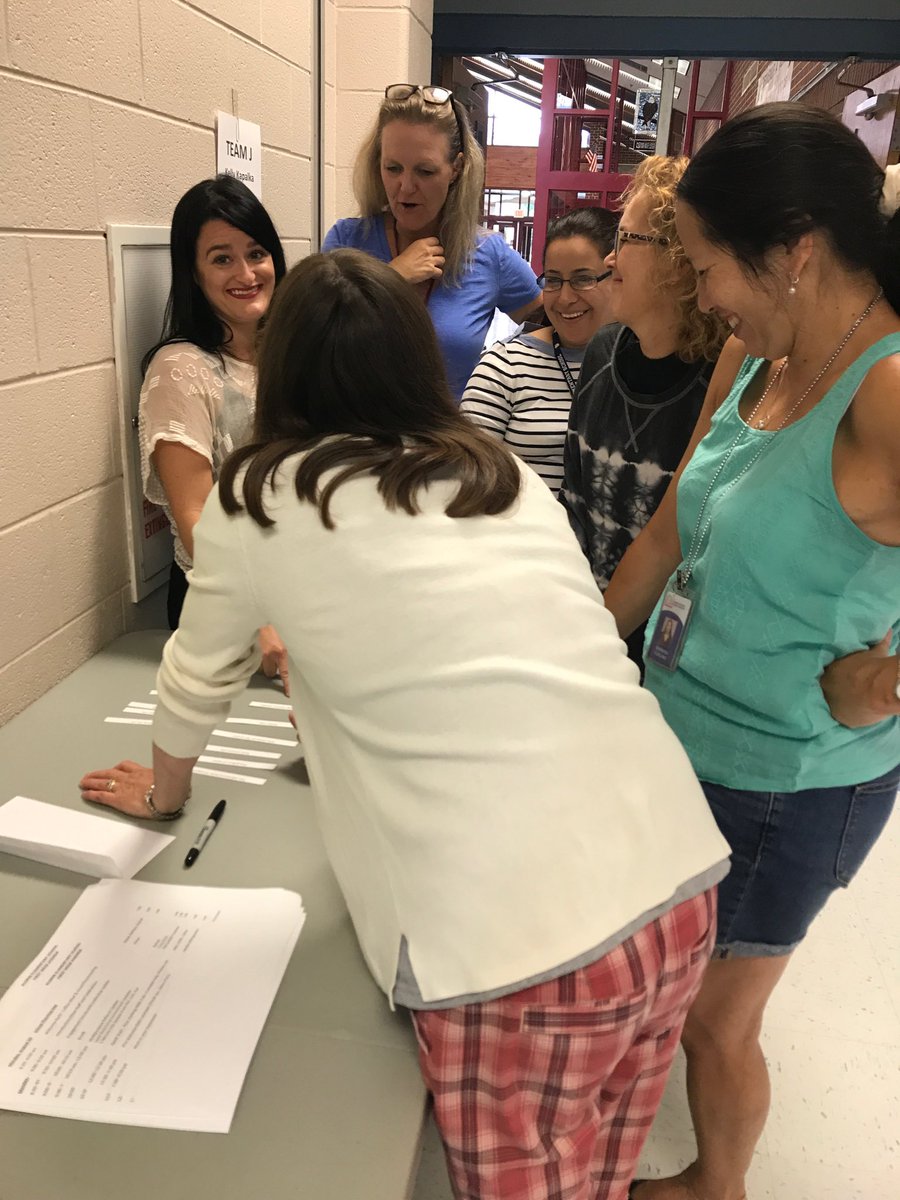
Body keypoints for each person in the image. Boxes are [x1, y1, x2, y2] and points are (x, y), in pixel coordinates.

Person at [81, 248, 730, 1200]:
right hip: (674, 882)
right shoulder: (498, 470)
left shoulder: (260, 500)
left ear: (285, 368)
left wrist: (165, 792)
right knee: (600, 1166)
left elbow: (192, 679)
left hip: (516, 948)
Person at [600, 104, 900, 1200]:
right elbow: (674, 525)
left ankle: (714, 1189)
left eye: (712, 266)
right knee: (677, 996)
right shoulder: (749, 356)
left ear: (797, 251)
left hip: (791, 778)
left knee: (716, 1026)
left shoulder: (886, 389)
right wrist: (584, 654)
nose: (704, 292)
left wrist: (886, 677)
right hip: (685, 733)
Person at [560, 156, 729, 668]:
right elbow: (574, 499)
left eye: (626, 242)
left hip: (671, 651)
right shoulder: (602, 350)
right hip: (585, 624)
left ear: (682, 260)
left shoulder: (723, 380)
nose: (609, 262)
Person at [140, 176, 289, 679]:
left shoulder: (291, 354)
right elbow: (195, 512)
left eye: (256, 252)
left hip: (296, 593)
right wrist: (257, 619)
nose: (246, 273)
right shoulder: (181, 369)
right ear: (194, 273)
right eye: (221, 258)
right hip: (227, 606)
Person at [321, 83, 542, 400]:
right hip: (357, 442)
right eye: (392, 168)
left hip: (445, 443)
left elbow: (555, 323)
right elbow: (313, 343)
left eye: (425, 171)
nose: (405, 187)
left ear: (456, 168)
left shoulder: (486, 252)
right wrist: (391, 278)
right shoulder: (347, 240)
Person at [460, 206, 618, 489]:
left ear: (617, 277)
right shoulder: (503, 367)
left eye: (583, 279)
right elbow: (467, 480)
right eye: (554, 280)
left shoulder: (642, 360)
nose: (565, 298)